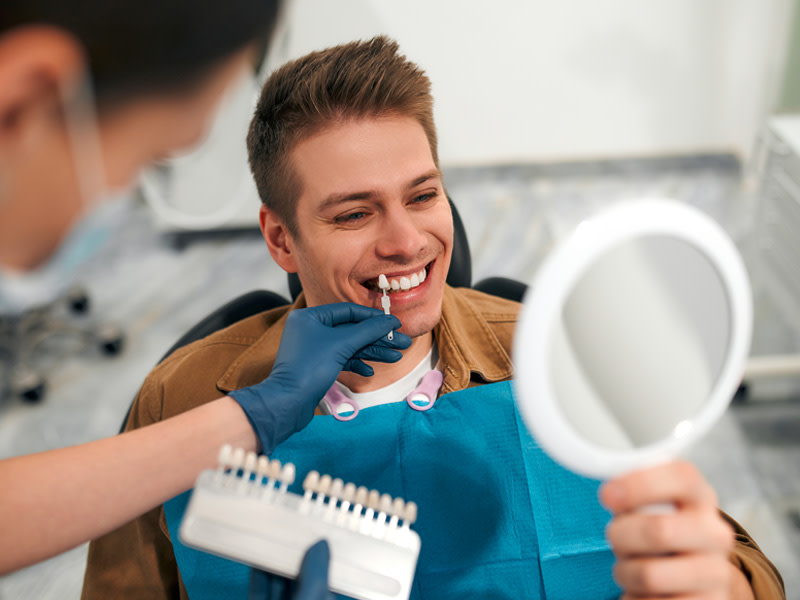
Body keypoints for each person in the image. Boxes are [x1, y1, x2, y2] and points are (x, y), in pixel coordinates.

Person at [81, 36, 784, 599]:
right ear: (280, 238)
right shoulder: (183, 402)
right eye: (355, 213)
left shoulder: (557, 357)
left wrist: (719, 583)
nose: (406, 241)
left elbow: (742, 569)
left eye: (422, 196)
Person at [0, 1, 411, 585]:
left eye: (423, 196)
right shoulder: (174, 393)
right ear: (20, 108)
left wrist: (255, 416)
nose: (403, 241)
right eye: (149, 161)